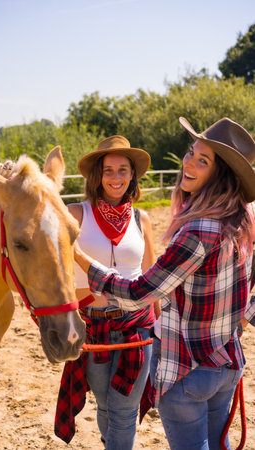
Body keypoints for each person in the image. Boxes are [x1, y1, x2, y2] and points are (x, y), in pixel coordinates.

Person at [74, 117, 255, 450]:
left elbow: (138, 293)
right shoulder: (247, 216)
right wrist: (243, 317)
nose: (189, 163)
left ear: (221, 173)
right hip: (228, 361)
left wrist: (82, 259)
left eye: (204, 161)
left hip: (188, 368)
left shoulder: (197, 230)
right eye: (191, 153)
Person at [55, 135, 160, 449]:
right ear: (96, 176)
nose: (116, 177)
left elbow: (150, 277)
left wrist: (159, 325)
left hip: (137, 327)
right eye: (109, 170)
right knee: (105, 405)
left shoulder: (143, 220)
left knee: (125, 411)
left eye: (123, 170)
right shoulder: (74, 215)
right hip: (93, 325)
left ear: (132, 175)